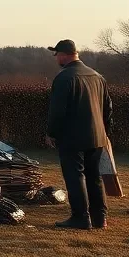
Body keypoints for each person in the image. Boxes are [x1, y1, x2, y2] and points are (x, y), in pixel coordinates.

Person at [45, 39, 113, 230]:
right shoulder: (97, 76)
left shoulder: (64, 78)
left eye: (57, 55)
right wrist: (105, 132)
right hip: (97, 137)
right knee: (95, 176)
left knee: (75, 176)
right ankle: (100, 218)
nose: (56, 58)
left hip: (72, 136)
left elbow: (57, 110)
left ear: (64, 55)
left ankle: (80, 217)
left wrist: (52, 133)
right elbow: (108, 109)